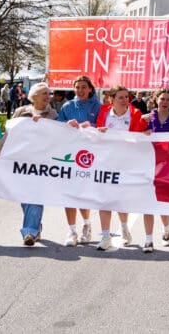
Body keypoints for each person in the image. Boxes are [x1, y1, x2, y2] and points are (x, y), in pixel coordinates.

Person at [0, 82, 57, 245]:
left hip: (41, 162)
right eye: (44, 94)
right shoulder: (21, 112)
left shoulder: (53, 114)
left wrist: (43, 125)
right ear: (33, 97)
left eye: (49, 94)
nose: (48, 97)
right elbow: (9, 134)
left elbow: (57, 138)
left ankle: (30, 232)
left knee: (36, 194)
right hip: (20, 162)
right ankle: (35, 225)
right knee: (24, 195)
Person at [92, 85, 145, 251]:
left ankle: (124, 228)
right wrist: (97, 132)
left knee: (121, 200)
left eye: (126, 97)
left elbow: (139, 137)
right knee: (104, 200)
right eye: (120, 97)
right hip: (105, 163)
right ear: (112, 99)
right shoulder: (104, 113)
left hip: (126, 164)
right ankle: (106, 236)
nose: (125, 100)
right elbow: (96, 136)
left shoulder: (136, 114)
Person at [57, 75, 102, 247]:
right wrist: (67, 124)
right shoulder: (67, 106)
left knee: (82, 193)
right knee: (69, 193)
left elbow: (103, 127)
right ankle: (72, 230)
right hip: (70, 154)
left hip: (89, 155)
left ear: (90, 89)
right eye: (78, 87)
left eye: (84, 87)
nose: (81, 90)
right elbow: (58, 128)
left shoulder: (97, 106)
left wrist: (88, 125)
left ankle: (86, 224)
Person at [141, 87, 169, 251]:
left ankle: (166, 230)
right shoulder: (146, 118)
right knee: (147, 202)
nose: (164, 102)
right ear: (156, 100)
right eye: (162, 99)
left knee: (163, 202)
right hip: (148, 164)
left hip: (168, 167)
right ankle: (148, 239)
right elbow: (133, 137)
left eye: (168, 99)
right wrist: (142, 130)